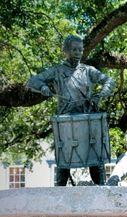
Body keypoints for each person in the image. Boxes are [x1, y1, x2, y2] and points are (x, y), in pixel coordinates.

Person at [27, 35, 115, 185]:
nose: (78, 53)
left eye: (80, 50)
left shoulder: (88, 70)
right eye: (74, 49)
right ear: (66, 51)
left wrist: (100, 95)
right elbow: (32, 81)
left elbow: (109, 80)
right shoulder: (57, 71)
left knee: (96, 163)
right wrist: (43, 88)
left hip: (88, 120)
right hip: (66, 123)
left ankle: (103, 194)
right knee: (63, 164)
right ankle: (57, 199)